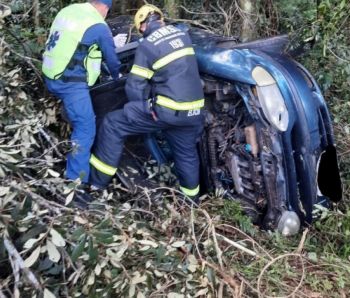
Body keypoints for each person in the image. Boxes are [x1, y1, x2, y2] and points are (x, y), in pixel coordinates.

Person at [88, 4, 205, 205]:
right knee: (186, 156)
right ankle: (192, 203)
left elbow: (135, 87)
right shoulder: (183, 35)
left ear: (142, 27)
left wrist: (140, 109)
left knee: (113, 123)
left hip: (167, 111)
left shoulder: (148, 45)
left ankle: (97, 184)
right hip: (194, 112)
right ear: (161, 19)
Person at [42, 0, 121, 185]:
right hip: (69, 84)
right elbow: (113, 62)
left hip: (50, 75)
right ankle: (75, 183)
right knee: (86, 129)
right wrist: (119, 77)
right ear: (104, 7)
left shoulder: (69, 11)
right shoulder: (98, 25)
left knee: (79, 117)